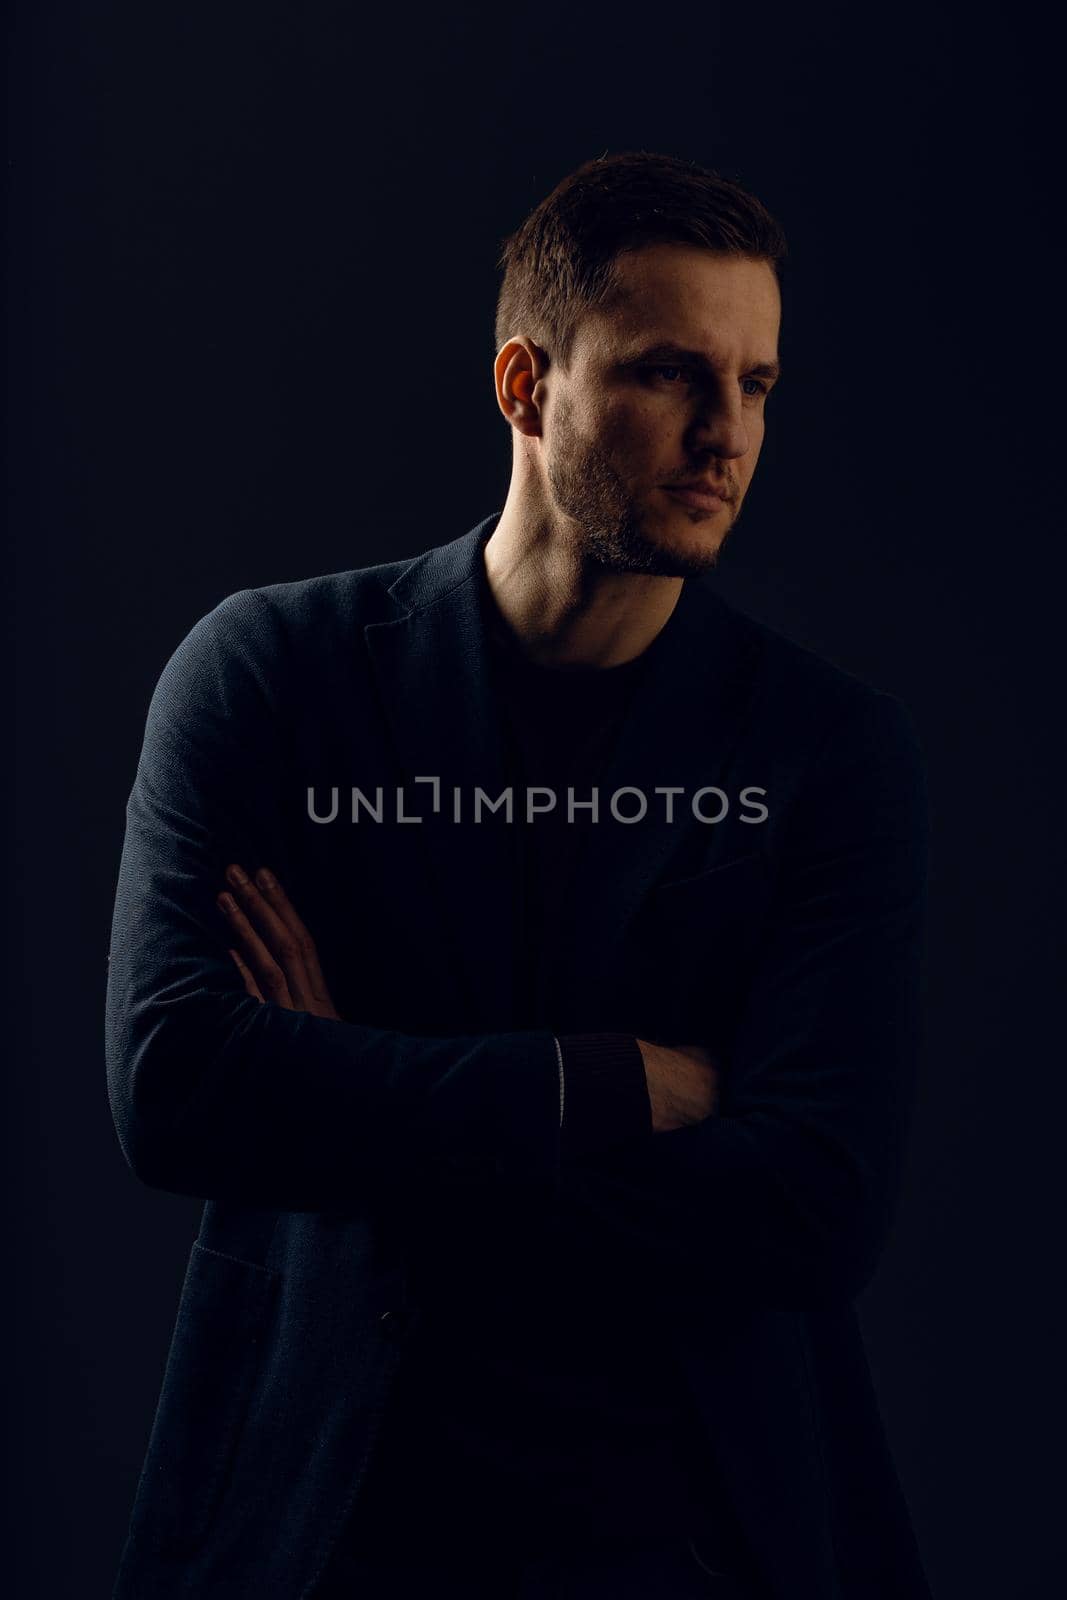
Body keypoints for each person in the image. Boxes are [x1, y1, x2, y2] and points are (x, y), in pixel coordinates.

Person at [106, 151, 933, 1599]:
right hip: (320, 1525)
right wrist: (604, 1087)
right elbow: (177, 1085)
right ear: (523, 385)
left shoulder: (828, 751)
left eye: (756, 385)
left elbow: (813, 1203)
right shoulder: (272, 674)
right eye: (671, 373)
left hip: (687, 1535)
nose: (723, 433)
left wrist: (343, 1089)